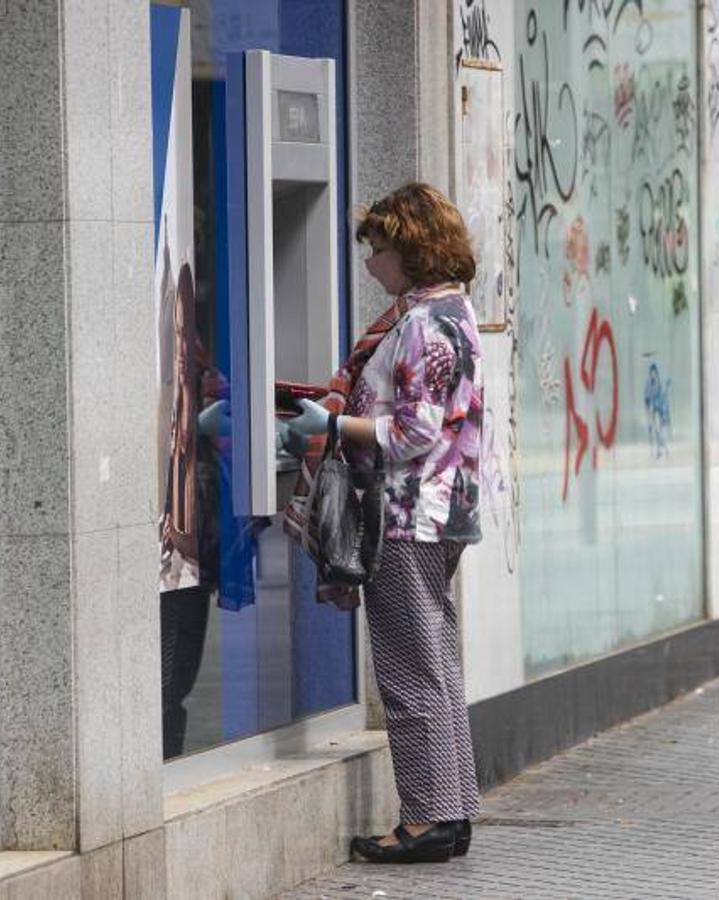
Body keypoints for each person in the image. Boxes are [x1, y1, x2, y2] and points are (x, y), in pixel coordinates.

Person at [284, 183, 483, 863]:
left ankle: (426, 819)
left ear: (410, 250)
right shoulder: (453, 313)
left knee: (407, 669)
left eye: (379, 248)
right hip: (439, 509)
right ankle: (451, 812)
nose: (369, 262)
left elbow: (411, 431)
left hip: (405, 513)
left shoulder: (421, 325)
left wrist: (333, 424)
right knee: (436, 664)